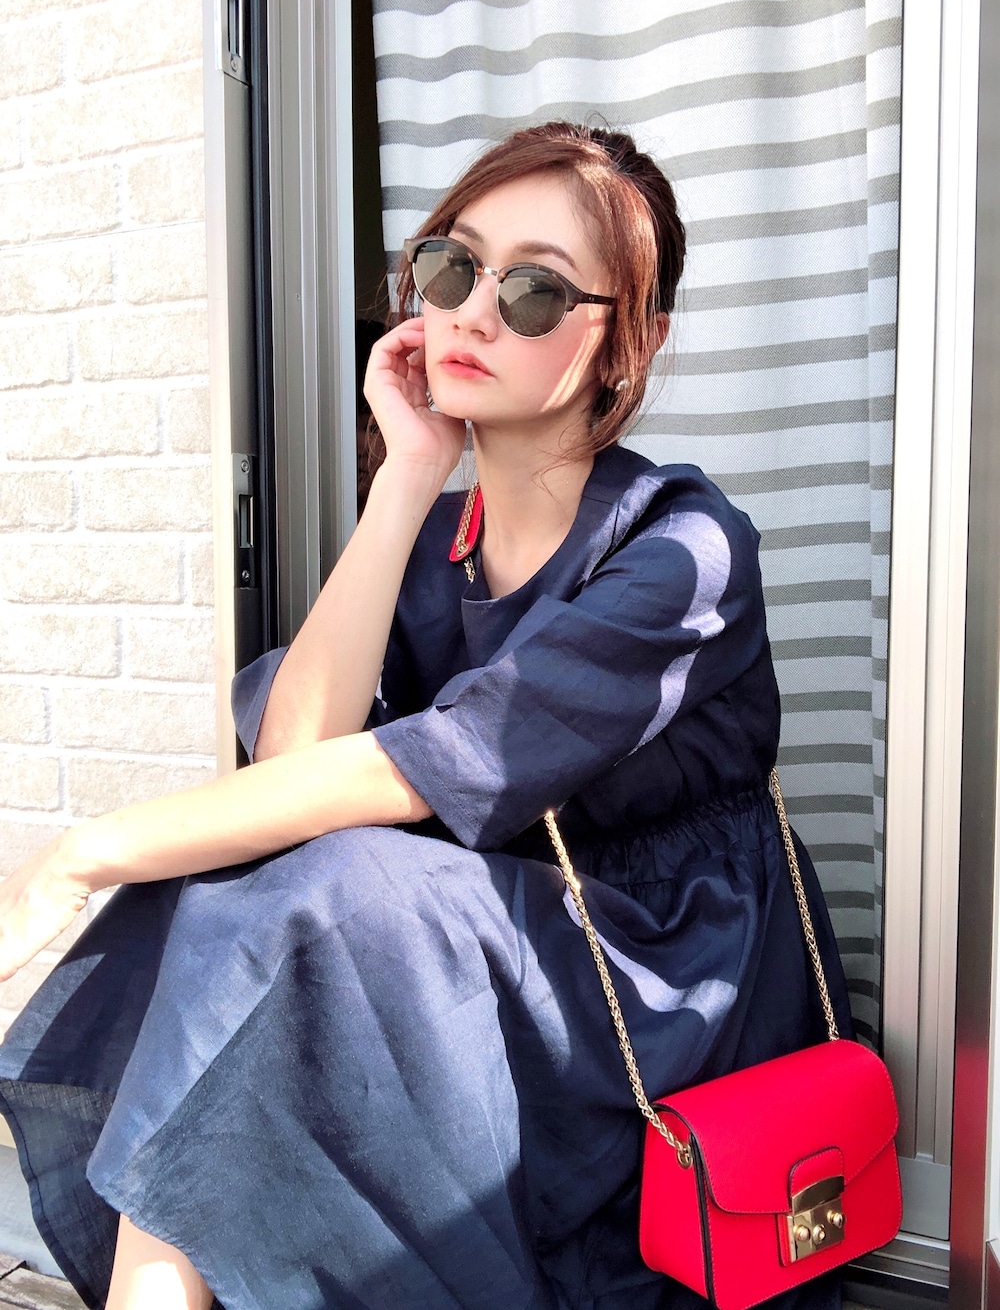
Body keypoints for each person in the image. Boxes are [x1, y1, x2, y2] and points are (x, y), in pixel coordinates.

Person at [0, 122, 852, 1310]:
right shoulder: (438, 547)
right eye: (453, 268)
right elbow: (293, 756)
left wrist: (80, 851)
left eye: (534, 289)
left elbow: (428, 768)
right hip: (488, 952)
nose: (472, 314)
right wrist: (404, 476)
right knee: (240, 879)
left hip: (656, 978)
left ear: (632, 339)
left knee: (320, 892)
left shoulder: (684, 550)